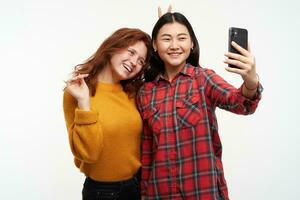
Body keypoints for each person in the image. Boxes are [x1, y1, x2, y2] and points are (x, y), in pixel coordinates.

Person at [137, 12, 263, 200]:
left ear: (192, 43)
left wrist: (251, 82)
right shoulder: (145, 92)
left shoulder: (203, 79)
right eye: (166, 39)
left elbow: (239, 103)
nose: (174, 45)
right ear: (155, 45)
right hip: (160, 192)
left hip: (202, 191)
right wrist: (144, 193)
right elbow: (147, 150)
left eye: (181, 38)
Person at [63, 27, 151, 200]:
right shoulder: (77, 91)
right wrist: (84, 102)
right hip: (102, 192)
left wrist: (164, 35)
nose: (134, 62)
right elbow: (89, 153)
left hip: (138, 186)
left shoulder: (134, 92)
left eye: (141, 60)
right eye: (131, 52)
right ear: (114, 46)